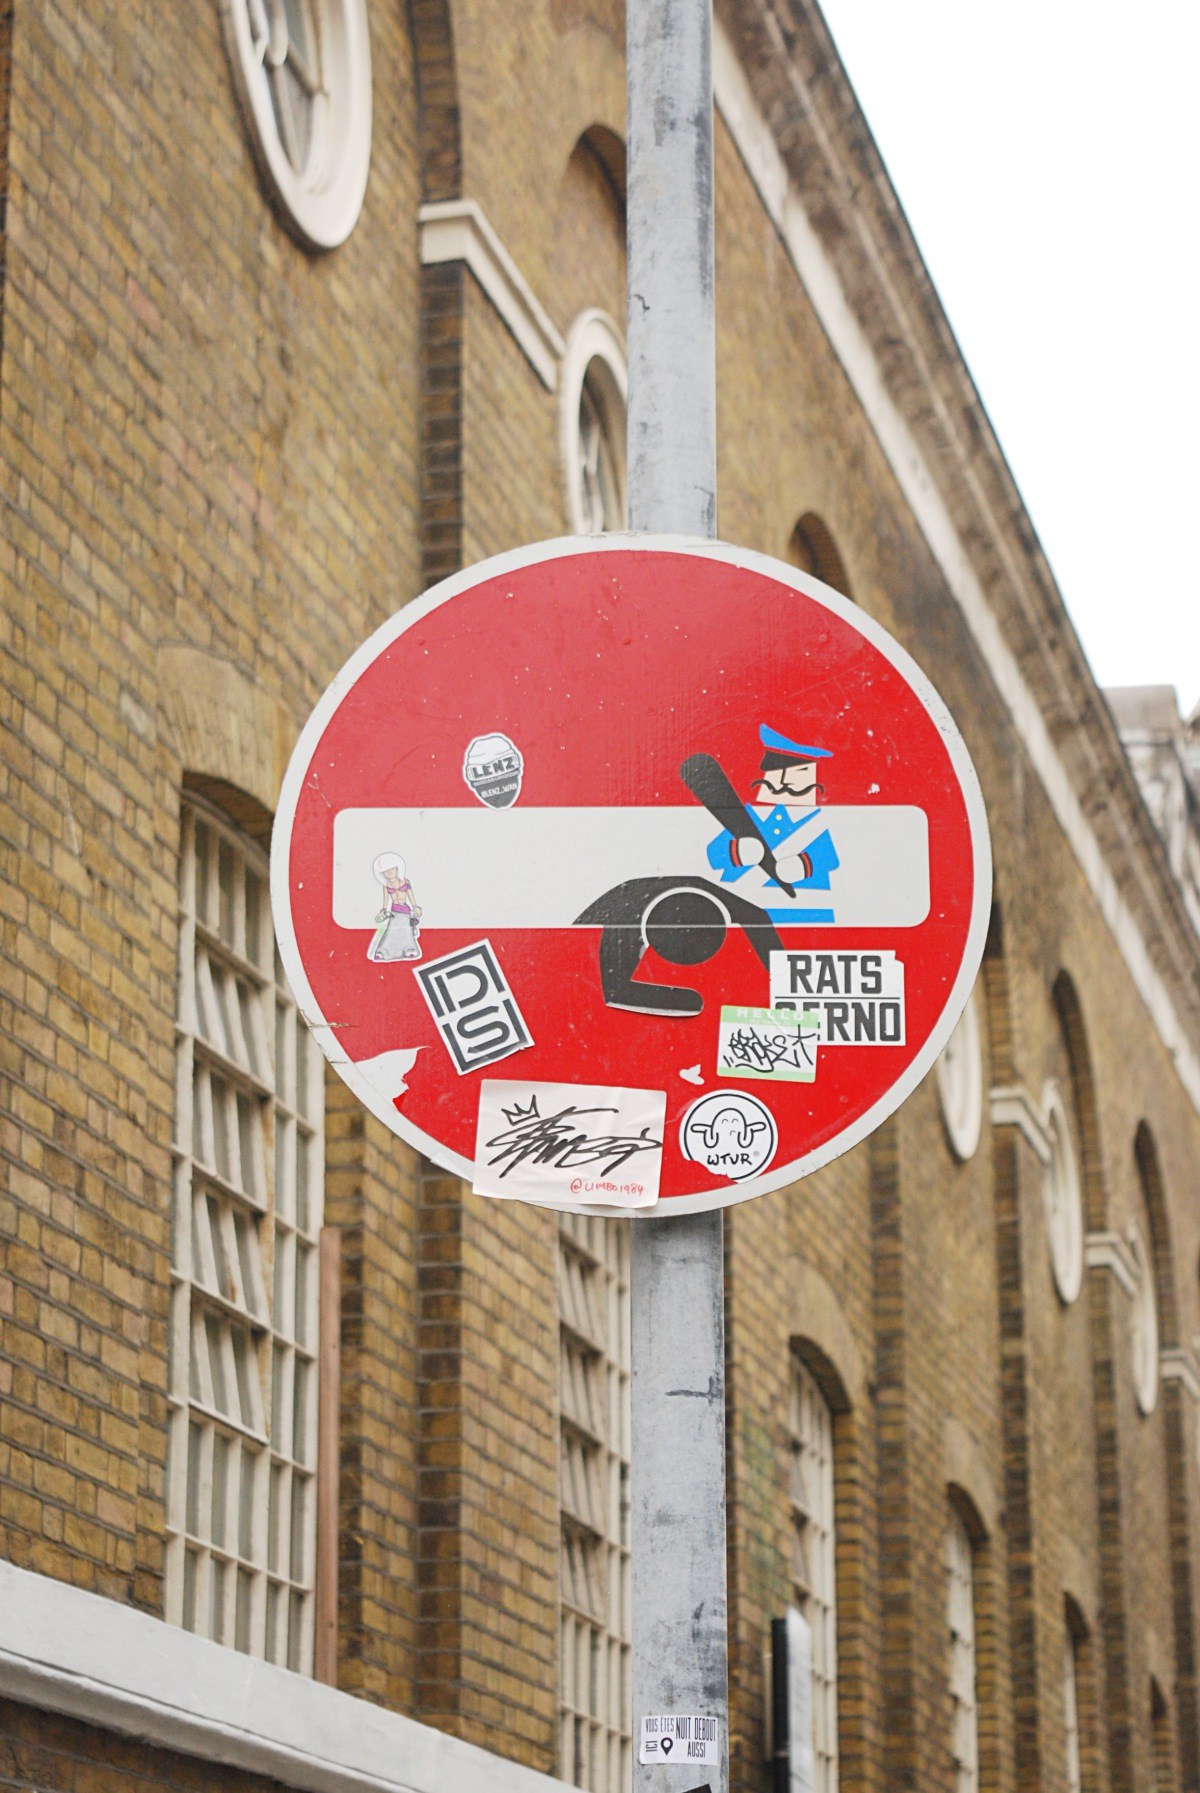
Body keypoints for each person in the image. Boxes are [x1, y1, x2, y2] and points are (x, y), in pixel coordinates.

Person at [369, 853, 422, 961]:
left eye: (391, 869)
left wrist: (415, 906)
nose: (389, 873)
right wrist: (383, 910)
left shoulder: (405, 882)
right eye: (385, 871)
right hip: (394, 910)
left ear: (397, 869)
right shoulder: (386, 886)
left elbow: (411, 896)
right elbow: (385, 900)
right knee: (391, 931)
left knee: (406, 930)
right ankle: (383, 952)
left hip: (405, 909)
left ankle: (409, 949)